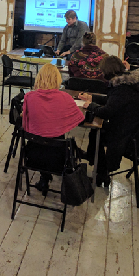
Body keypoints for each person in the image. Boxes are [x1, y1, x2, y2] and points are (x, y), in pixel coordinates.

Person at [81, 56, 139, 187]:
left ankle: (101, 171)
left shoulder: (121, 89)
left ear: (108, 72)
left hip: (128, 137)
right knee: (95, 132)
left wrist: (90, 106)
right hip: (136, 129)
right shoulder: (129, 83)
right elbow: (112, 101)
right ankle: (95, 163)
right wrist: (92, 97)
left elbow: (106, 112)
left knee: (96, 133)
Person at [21, 63, 88, 195]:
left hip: (32, 155)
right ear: (58, 79)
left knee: (42, 137)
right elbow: (80, 119)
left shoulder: (29, 97)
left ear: (39, 78)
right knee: (54, 137)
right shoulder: (65, 98)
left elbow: (25, 123)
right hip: (59, 157)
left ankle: (44, 178)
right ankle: (46, 178)